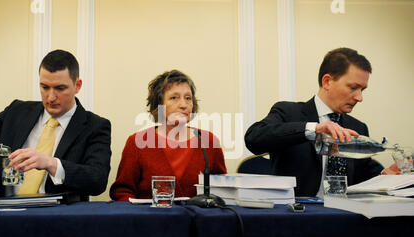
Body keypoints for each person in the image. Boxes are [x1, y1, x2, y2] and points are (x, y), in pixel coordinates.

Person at [244, 47, 398, 197]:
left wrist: (383, 177)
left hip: (345, 214)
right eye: (353, 88)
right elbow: (253, 138)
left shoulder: (358, 127)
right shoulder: (289, 113)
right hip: (299, 215)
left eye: (362, 90)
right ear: (327, 82)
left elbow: (360, 179)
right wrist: (314, 129)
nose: (359, 98)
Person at [0, 49, 111, 200]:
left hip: (56, 216)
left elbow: (97, 180)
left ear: (77, 85)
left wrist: (50, 163)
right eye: (45, 87)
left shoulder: (95, 126)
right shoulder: (16, 112)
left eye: (60, 88)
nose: (51, 97)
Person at [110, 69, 227, 201]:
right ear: (159, 104)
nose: (183, 105)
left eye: (188, 98)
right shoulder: (137, 142)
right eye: (174, 98)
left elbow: (223, 193)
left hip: (198, 220)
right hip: (151, 219)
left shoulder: (209, 141)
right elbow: (122, 191)